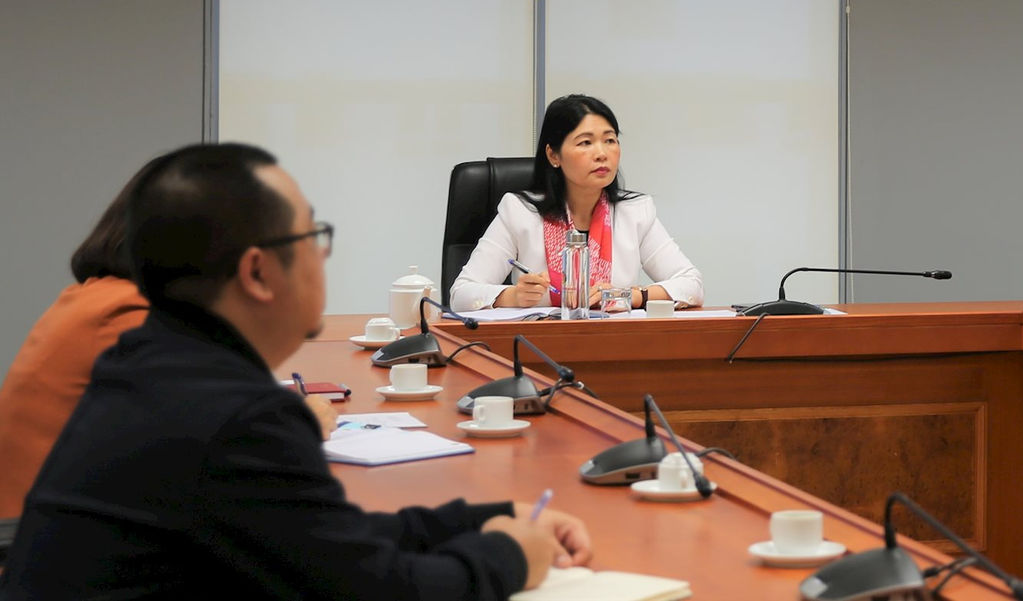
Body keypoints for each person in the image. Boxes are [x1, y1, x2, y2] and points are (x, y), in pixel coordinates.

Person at [0, 143, 589, 598]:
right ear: (258, 273)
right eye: (312, 235)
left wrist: (484, 518)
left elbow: (326, 541)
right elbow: (379, 590)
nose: (322, 256)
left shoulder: (155, 363)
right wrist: (510, 556)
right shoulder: (234, 418)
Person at [0, 157, 337, 518]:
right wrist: (303, 421)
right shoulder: (126, 316)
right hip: (47, 538)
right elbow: (225, 446)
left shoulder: (107, 297)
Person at [449, 94, 704, 312]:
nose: (602, 153)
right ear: (553, 155)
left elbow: (692, 284)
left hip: (616, 343)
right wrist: (513, 296)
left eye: (610, 140)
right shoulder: (520, 212)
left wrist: (631, 296)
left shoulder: (635, 212)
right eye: (585, 143)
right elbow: (461, 293)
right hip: (540, 345)